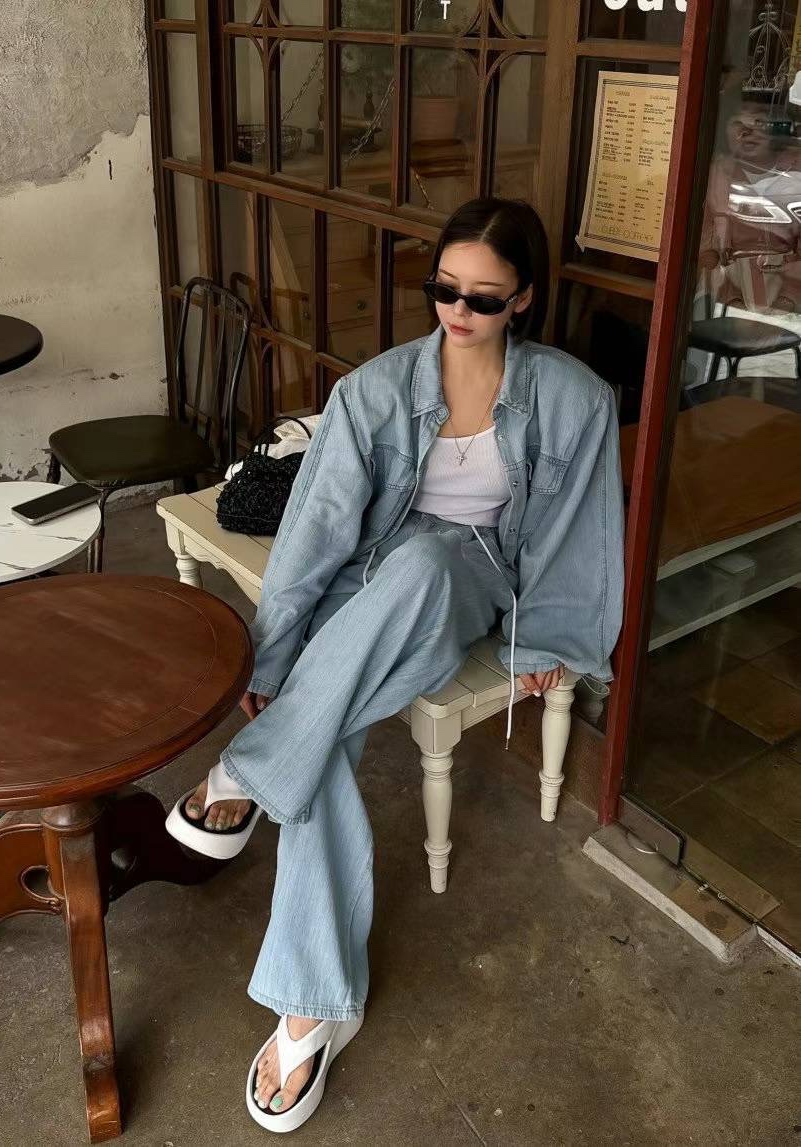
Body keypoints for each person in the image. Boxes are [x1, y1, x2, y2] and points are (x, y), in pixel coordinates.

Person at [166, 197, 625, 1133]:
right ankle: (312, 1009)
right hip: (366, 584)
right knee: (323, 734)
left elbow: (579, 533)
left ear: (524, 299)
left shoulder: (574, 399)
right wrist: (274, 656)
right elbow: (314, 533)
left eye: (484, 297)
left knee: (423, 561)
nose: (458, 311)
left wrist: (545, 643)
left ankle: (243, 774)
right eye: (443, 289)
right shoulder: (373, 392)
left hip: (469, 574)